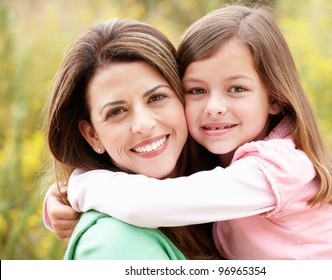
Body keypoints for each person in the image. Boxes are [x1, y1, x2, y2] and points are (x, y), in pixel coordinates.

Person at [46, 5, 332, 259]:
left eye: (237, 89)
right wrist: (59, 202)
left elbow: (153, 204)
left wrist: (82, 184)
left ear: (274, 97)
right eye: (197, 91)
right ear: (91, 134)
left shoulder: (278, 167)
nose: (214, 107)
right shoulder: (221, 159)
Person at [43, 18, 220, 260]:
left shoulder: (230, 167)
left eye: (157, 97)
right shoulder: (115, 244)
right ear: (92, 135)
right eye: (116, 112)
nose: (143, 125)